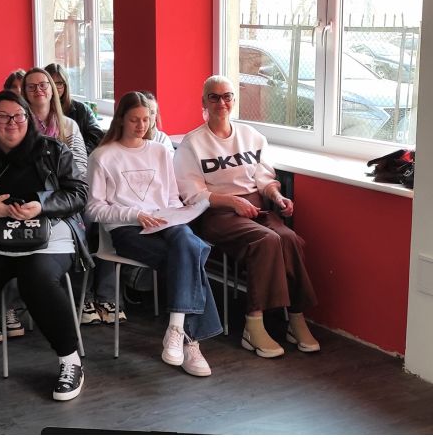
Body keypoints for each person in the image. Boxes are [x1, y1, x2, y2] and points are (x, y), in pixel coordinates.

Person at [0, 90, 91, 401]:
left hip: (48, 232)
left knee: (37, 277)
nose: (12, 123)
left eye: (18, 116)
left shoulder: (53, 149)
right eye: (2, 116)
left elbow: (78, 193)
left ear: (28, 118)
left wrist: (42, 205)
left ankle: (70, 360)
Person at [174, 75, 320, 358]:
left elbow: (264, 179)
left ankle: (296, 318)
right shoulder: (192, 143)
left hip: (256, 207)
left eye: (227, 96)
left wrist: (277, 197)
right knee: (266, 241)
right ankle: (253, 326)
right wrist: (232, 201)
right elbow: (192, 193)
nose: (221, 102)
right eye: (214, 97)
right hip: (216, 214)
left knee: (289, 239)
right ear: (204, 102)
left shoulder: (252, 136)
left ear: (234, 100)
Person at [86, 91, 222, 376]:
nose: (141, 126)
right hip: (127, 229)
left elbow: (171, 197)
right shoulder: (102, 156)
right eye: (134, 120)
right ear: (121, 120)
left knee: (186, 242)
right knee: (190, 254)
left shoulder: (160, 151)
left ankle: (176, 328)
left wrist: (180, 214)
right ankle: (191, 342)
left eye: (146, 119)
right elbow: (94, 209)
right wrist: (134, 214)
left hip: (165, 221)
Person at [22, 67, 89, 174]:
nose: (38, 89)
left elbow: (80, 168)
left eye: (43, 85)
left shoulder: (69, 125)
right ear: (25, 93)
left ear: (52, 90)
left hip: (66, 183)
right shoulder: (19, 125)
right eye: (31, 87)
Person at [44, 63, 105, 154]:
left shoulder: (82, 110)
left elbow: (96, 137)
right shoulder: (36, 111)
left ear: (65, 85)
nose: (55, 88)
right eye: (51, 83)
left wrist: (77, 155)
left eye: (59, 83)